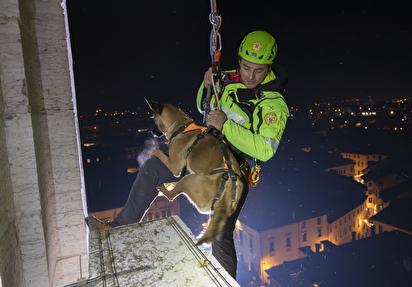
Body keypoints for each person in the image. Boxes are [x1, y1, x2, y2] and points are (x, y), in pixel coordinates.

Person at [85, 30, 289, 279]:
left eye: (259, 70)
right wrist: (206, 85)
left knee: (221, 232)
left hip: (232, 170)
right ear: (239, 62)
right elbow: (205, 106)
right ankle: (117, 228)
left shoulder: (272, 104)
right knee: (152, 169)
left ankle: (224, 283)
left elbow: (265, 150)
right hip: (203, 154)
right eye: (246, 67)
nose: (250, 76)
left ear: (268, 68)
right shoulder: (230, 81)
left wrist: (226, 126)